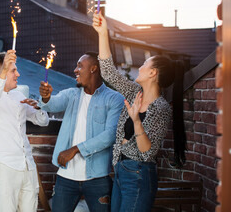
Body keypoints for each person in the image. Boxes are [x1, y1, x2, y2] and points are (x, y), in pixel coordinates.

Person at [92, 12, 187, 212]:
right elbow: (109, 73)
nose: (140, 67)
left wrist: (136, 121)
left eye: (145, 64)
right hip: (120, 171)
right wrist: (102, 33)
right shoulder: (136, 93)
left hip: (139, 174)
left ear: (153, 73)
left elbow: (147, 152)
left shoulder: (161, 108)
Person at [38, 52, 124, 212]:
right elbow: (52, 105)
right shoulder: (71, 94)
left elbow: (110, 135)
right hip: (66, 176)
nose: (75, 70)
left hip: (97, 178)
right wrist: (46, 97)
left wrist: (75, 149)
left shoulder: (114, 99)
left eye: (80, 66)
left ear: (93, 69)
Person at [0, 50, 49, 212]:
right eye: (13, 70)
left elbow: (43, 121)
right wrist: (4, 70)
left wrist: (40, 105)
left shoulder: (18, 96)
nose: (18, 74)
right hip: (5, 165)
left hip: (27, 165)